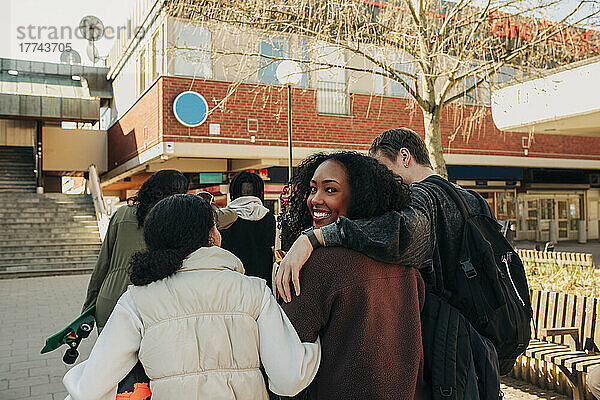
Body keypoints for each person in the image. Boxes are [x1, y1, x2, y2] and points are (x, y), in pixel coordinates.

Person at [63, 194, 321, 400]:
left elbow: (89, 389)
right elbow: (288, 380)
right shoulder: (254, 291)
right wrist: (317, 343)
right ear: (211, 236)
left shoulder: (137, 301)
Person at [278, 151, 428, 399]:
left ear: (360, 197)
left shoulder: (319, 264)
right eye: (313, 188)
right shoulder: (407, 264)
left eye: (330, 190)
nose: (315, 199)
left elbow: (284, 349)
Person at [82, 170, 189, 330]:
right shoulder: (174, 222)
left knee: (108, 354)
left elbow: (102, 265)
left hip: (109, 300)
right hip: (146, 308)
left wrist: (87, 310)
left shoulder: (122, 213)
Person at [220, 171, 276, 287]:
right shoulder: (269, 218)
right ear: (259, 192)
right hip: (263, 285)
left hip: (233, 284)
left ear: (234, 192)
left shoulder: (226, 218)